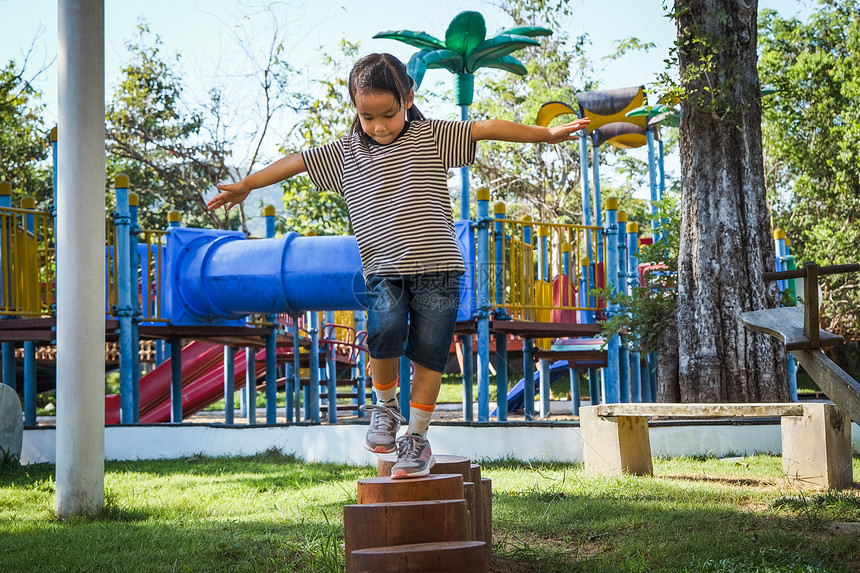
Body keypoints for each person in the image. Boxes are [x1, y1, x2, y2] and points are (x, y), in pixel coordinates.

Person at [208, 52, 589, 479]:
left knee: (429, 356)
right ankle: (386, 409)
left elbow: (485, 127)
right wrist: (246, 184)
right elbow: (295, 161)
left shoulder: (431, 135)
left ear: (409, 98)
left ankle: (417, 439)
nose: (378, 126)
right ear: (355, 108)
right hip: (384, 269)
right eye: (367, 116)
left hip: (440, 268)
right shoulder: (344, 153)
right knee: (384, 331)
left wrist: (547, 133)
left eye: (387, 115)